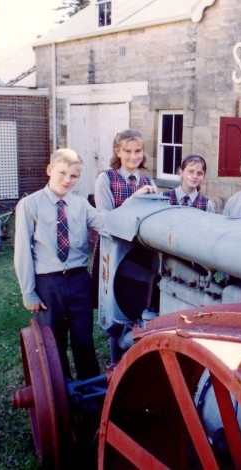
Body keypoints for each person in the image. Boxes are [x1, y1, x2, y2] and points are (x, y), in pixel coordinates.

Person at [14, 148, 103, 380]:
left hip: (79, 281)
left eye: (73, 176)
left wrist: (135, 208)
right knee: (54, 343)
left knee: (84, 340)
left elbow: (106, 223)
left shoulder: (81, 204)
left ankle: (90, 393)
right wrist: (28, 292)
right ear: (49, 170)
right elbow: (22, 251)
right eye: (62, 173)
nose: (67, 180)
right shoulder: (29, 204)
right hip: (48, 284)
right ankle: (61, 394)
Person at [92, 129, 156, 361]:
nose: (133, 156)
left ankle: (138, 357)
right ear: (117, 152)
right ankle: (116, 361)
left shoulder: (149, 181)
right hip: (116, 255)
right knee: (116, 307)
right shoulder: (106, 178)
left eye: (137, 151)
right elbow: (106, 220)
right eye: (127, 151)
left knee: (139, 306)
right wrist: (134, 199)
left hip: (141, 256)